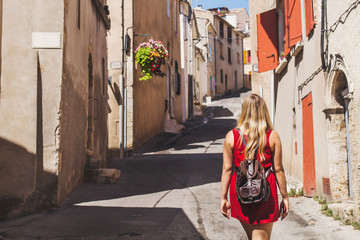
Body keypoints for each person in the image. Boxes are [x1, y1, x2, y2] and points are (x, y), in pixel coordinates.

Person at [220, 94, 289, 240]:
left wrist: (223, 197)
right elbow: (278, 169)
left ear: (244, 111)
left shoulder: (231, 136)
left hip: (240, 193)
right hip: (265, 193)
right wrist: (285, 197)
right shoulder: (271, 136)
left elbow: (227, 169)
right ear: (263, 111)